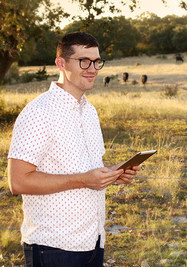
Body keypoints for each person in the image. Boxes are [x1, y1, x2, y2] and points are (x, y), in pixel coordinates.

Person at [7, 32, 140, 267]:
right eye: (84, 61)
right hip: (54, 248)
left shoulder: (90, 112)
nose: (93, 69)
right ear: (61, 63)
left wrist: (114, 174)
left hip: (93, 242)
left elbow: (86, 170)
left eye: (96, 61)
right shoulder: (39, 112)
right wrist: (84, 180)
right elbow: (18, 182)